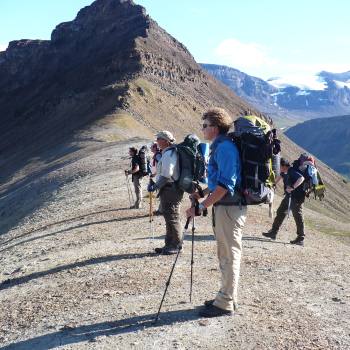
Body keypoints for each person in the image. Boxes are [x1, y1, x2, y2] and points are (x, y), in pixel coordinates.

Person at [186, 107, 247, 318]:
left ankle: (225, 303)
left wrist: (201, 206)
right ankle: (226, 297)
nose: (202, 129)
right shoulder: (220, 147)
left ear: (216, 127)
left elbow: (225, 185)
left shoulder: (224, 148)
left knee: (229, 256)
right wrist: (202, 193)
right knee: (225, 254)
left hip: (229, 209)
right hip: (226, 208)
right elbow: (217, 183)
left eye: (205, 125)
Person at [148, 131, 184, 255]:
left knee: (173, 217)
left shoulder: (169, 154)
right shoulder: (168, 153)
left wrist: (155, 186)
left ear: (166, 141)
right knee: (169, 217)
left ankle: (177, 245)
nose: (157, 141)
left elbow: (167, 175)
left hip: (170, 189)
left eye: (159, 138)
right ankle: (169, 244)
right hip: (169, 189)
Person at [262, 157, 306, 246]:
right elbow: (277, 180)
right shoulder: (284, 172)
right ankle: (273, 232)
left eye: (280, 166)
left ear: (283, 165)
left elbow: (301, 178)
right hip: (288, 197)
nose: (279, 168)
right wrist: (271, 184)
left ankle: (301, 238)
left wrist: (292, 187)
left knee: (298, 216)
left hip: (297, 198)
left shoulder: (292, 171)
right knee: (280, 212)